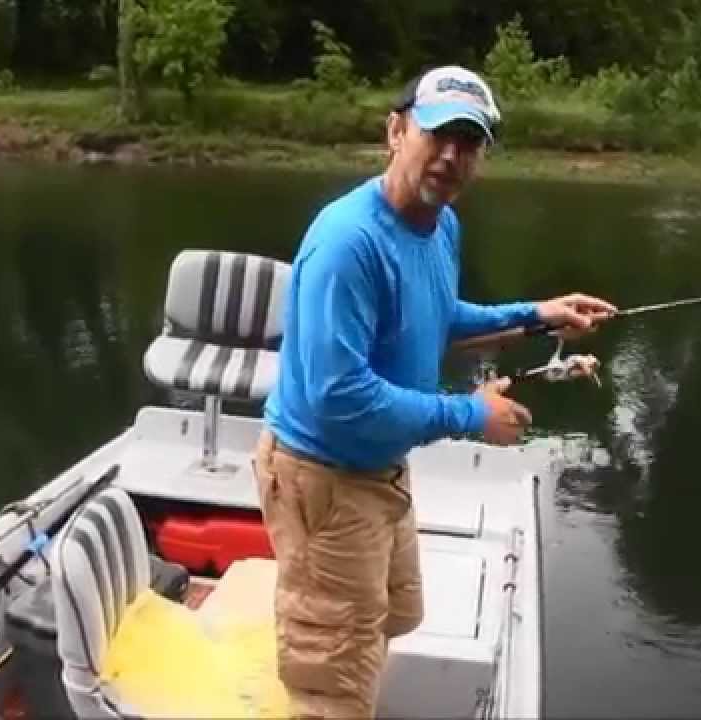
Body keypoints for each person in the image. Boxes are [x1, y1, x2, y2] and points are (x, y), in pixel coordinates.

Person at [251, 65, 616, 719]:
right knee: (330, 680)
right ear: (396, 131)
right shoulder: (348, 242)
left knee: (388, 616)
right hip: (323, 476)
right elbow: (343, 397)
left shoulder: (440, 225)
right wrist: (470, 415)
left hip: (379, 464)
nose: (451, 155)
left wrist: (538, 314)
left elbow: (439, 316)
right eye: (437, 134)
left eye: (469, 141)